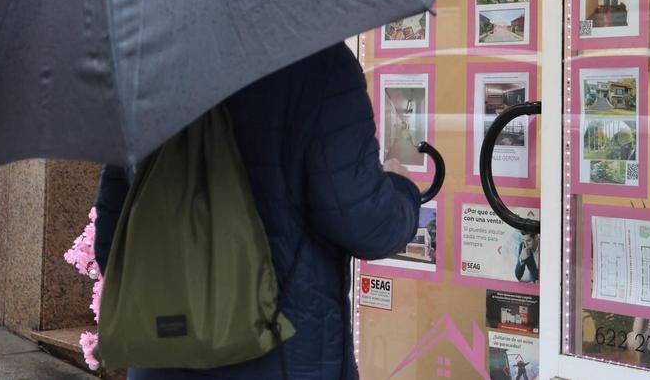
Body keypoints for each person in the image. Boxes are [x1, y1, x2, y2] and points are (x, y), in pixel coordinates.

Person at [93, 43, 422, 379]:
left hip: (161, 359)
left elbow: (111, 243)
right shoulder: (317, 62)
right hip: (284, 355)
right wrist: (403, 189)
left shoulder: (146, 74)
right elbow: (365, 222)